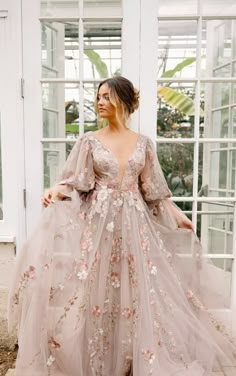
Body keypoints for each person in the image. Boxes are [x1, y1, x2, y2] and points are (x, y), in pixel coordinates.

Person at [7, 76, 236, 375]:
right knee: (96, 291)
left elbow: (153, 189)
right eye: (98, 96)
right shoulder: (89, 140)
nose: (99, 102)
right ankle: (98, 360)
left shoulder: (143, 144)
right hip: (99, 226)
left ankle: (131, 356)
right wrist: (55, 190)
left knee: (137, 290)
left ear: (123, 101)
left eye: (106, 96)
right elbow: (77, 180)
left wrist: (178, 215)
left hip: (135, 226)